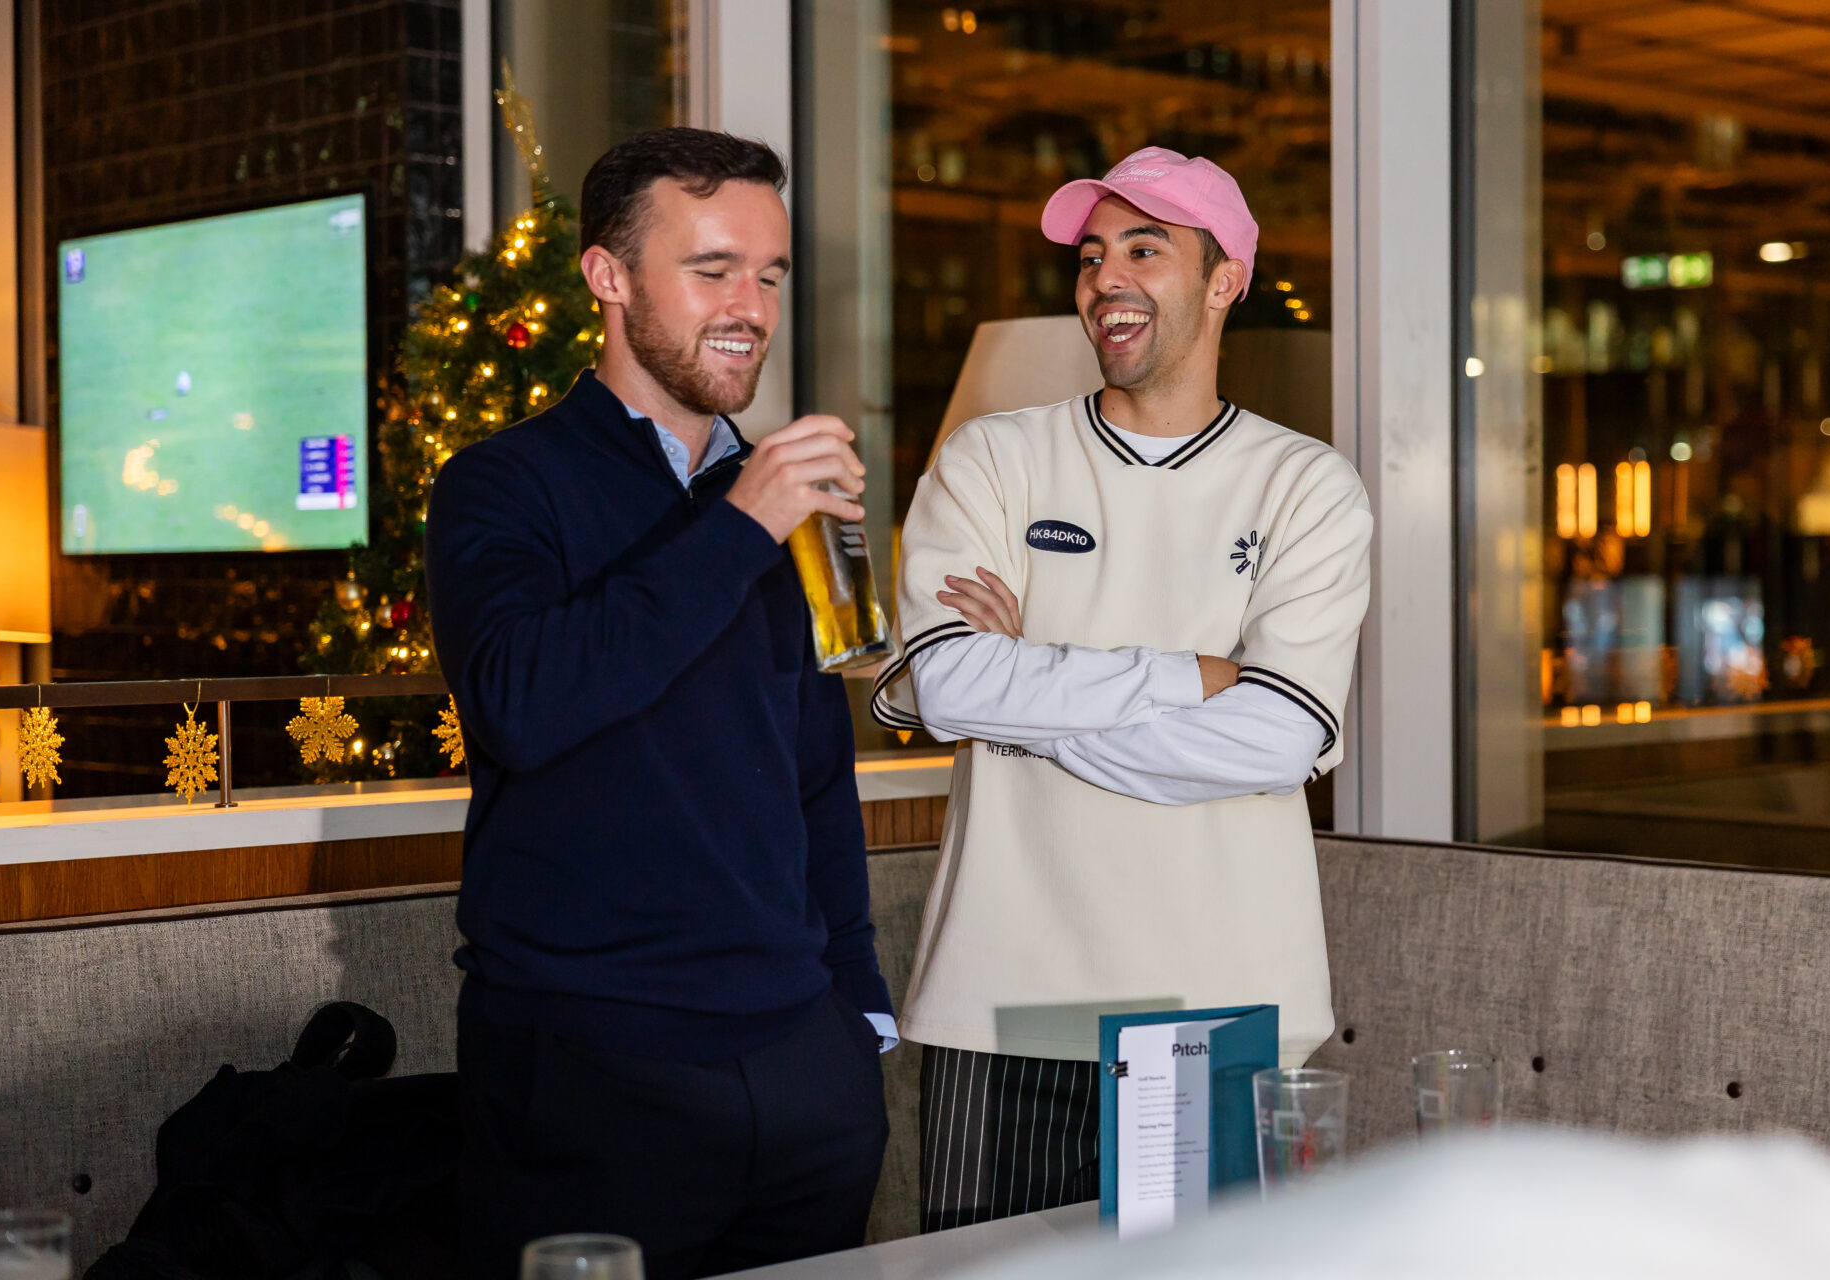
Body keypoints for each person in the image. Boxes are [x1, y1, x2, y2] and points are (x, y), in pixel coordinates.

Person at [870, 146, 1372, 1232]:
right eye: (1092, 255)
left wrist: (1027, 701)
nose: (1105, 278)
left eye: (1145, 250)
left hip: (1222, 1009)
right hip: (999, 1004)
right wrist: (1190, 677)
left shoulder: (1307, 486)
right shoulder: (991, 459)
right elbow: (947, 682)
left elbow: (1275, 740)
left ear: (1225, 279)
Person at [426, 127, 894, 1280]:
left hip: (806, 1073)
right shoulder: (502, 483)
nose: (751, 307)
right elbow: (521, 703)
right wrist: (739, 523)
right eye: (713, 269)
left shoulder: (777, 496)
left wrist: (859, 1016)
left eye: (770, 274)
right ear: (610, 275)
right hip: (590, 1070)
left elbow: (813, 773)